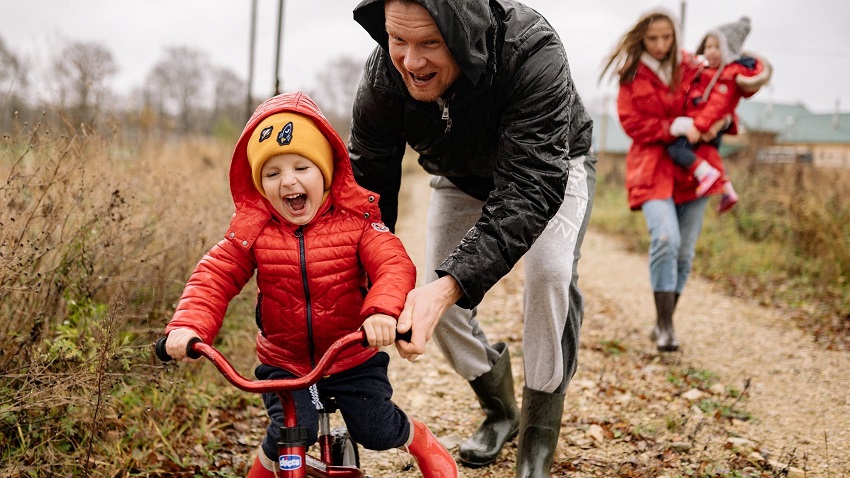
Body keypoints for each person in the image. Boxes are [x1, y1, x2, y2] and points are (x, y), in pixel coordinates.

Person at [349, 0, 596, 475]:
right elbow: (368, 191)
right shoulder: (383, 75)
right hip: (459, 175)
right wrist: (363, 284)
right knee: (434, 299)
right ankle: (500, 410)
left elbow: (529, 188)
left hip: (550, 168)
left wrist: (450, 286)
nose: (411, 61)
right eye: (398, 40)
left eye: (430, 42)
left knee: (549, 273)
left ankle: (537, 441)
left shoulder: (532, 50)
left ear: (463, 32)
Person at [163, 91, 457, 478]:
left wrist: (382, 312)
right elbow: (214, 277)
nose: (288, 181)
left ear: (326, 170)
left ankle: (420, 440)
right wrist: (189, 325)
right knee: (288, 435)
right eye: (272, 173)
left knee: (376, 430)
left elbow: (394, 264)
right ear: (259, 184)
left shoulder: (357, 221)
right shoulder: (253, 230)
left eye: (302, 167)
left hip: (351, 355)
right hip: (284, 361)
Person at [600, 7, 729, 352]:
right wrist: (670, 127)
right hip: (651, 167)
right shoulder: (631, 74)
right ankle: (666, 327)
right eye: (652, 38)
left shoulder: (692, 66)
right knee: (666, 238)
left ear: (675, 36)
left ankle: (664, 323)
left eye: (666, 37)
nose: (659, 45)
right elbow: (631, 123)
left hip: (694, 169)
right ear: (642, 38)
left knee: (684, 253)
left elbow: (720, 94)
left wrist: (722, 119)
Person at [668, 16, 771, 213]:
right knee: (709, 154)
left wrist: (699, 126)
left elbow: (716, 105)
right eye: (708, 46)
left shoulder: (725, 76)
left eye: (717, 47)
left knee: (676, 150)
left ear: (729, 51)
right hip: (707, 125)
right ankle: (727, 190)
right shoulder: (706, 72)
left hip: (703, 125)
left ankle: (705, 174)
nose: (711, 51)